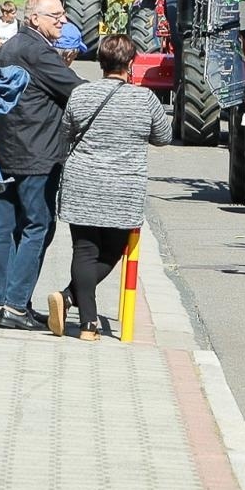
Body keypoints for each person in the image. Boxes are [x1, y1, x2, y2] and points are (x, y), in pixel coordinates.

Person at [47, 34, 172, 340]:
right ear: (131, 64)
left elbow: (65, 134)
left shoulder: (81, 94)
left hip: (82, 181)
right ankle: (68, 300)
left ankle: (84, 320)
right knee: (113, 251)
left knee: (85, 249)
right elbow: (164, 136)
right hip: (123, 187)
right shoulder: (145, 100)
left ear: (101, 62)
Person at [0, 0, 83, 329]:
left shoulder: (8, 49)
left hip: (6, 150)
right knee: (39, 224)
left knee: (3, 225)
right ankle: (15, 305)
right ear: (34, 18)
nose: (63, 20)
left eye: (63, 15)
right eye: (57, 16)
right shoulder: (39, 51)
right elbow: (77, 91)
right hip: (37, 153)